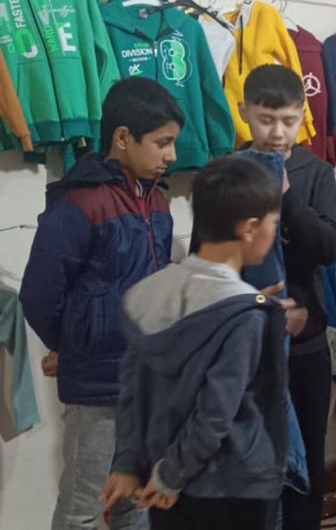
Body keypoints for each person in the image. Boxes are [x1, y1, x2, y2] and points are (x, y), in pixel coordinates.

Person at [19, 77, 183, 530]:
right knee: (83, 509)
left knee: (135, 500)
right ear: (123, 138)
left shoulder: (159, 204)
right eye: (162, 143)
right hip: (98, 388)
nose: (171, 155)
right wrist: (74, 345)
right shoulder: (79, 203)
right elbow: (39, 294)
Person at [101, 156, 289, 529]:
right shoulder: (245, 314)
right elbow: (215, 412)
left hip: (163, 483)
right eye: (273, 223)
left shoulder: (144, 295)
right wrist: (172, 474)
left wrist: (129, 464)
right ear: (251, 228)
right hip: (231, 485)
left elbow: (132, 392)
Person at [238, 64, 336, 529]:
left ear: (303, 117)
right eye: (265, 120)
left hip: (305, 344)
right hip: (246, 344)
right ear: (244, 112)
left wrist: (287, 199)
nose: (277, 133)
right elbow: (209, 257)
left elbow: (330, 248)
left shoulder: (315, 172)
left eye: (288, 121)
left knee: (307, 462)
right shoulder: (228, 171)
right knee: (250, 460)